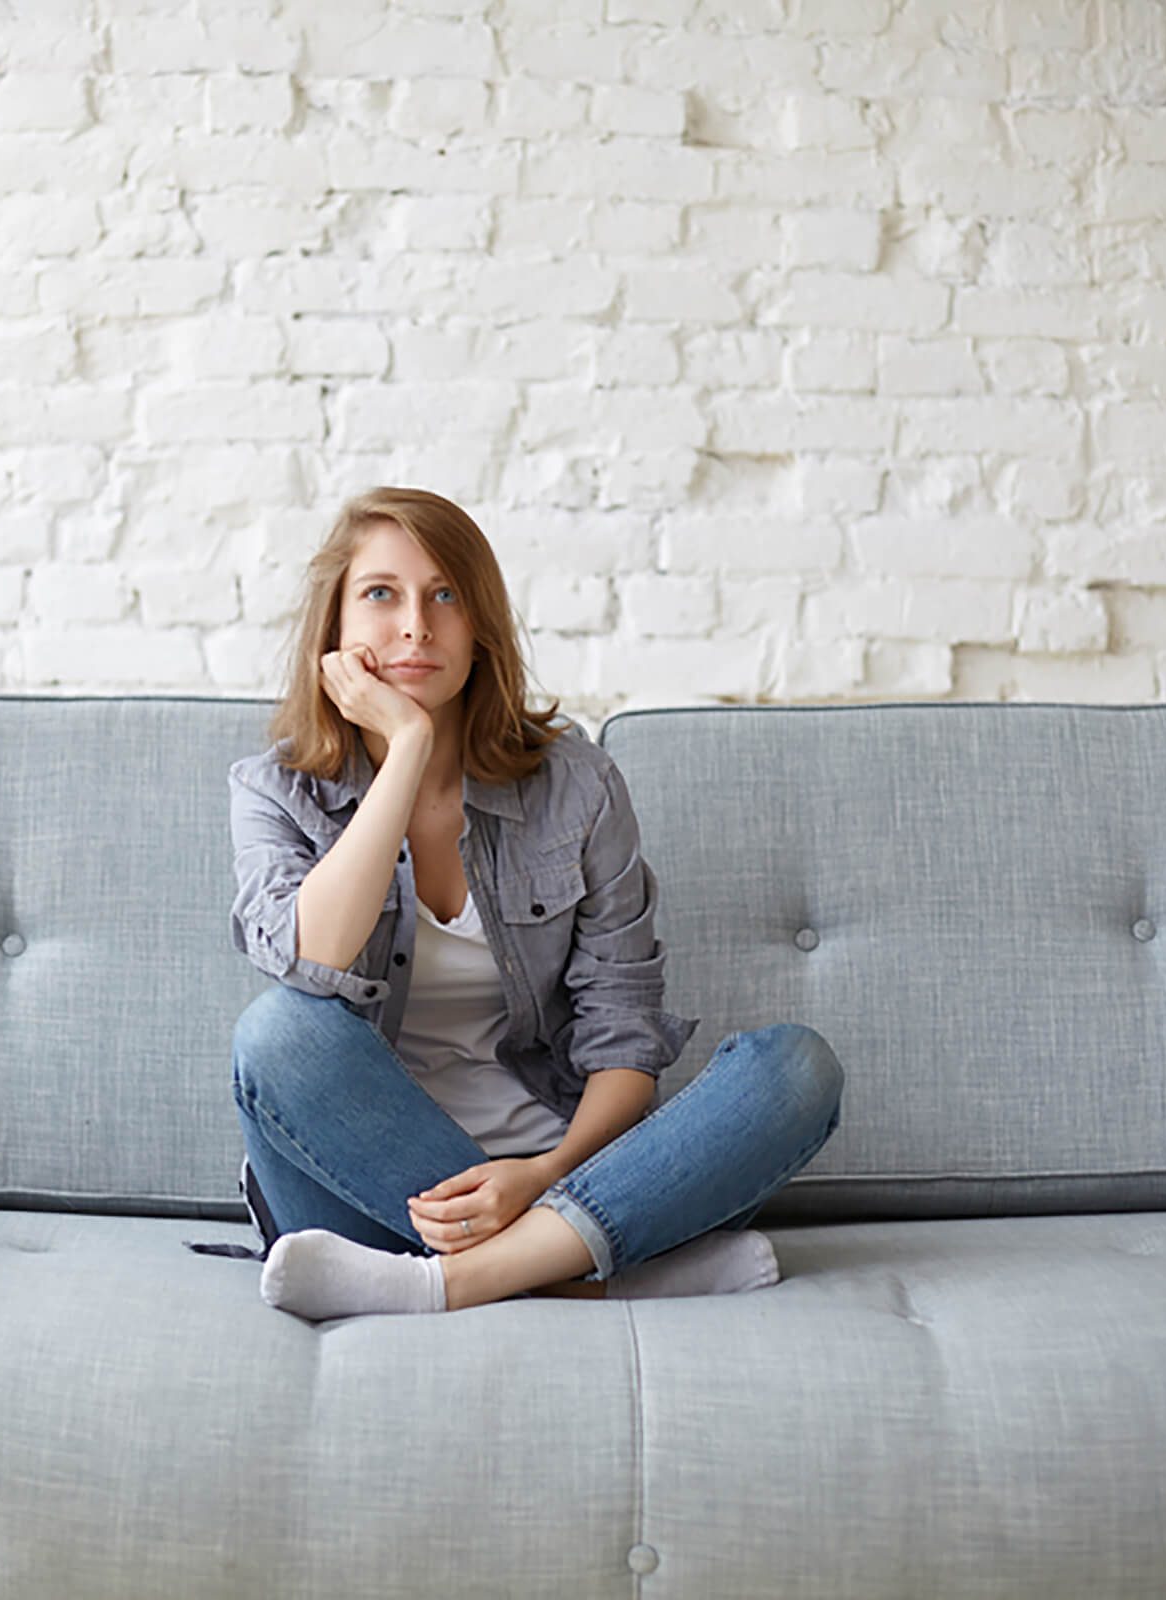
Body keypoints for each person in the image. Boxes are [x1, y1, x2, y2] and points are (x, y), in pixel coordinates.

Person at [220, 486, 845, 1321]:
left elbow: (623, 1027)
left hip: (565, 1169)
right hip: (368, 1197)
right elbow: (318, 953)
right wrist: (406, 745)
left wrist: (545, 1179)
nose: (415, 625)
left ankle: (471, 1278)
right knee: (279, 1032)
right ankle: (591, 1269)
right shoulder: (273, 791)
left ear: (480, 628)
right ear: (333, 629)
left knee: (796, 1069)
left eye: (446, 595)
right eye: (381, 595)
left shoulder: (576, 786)